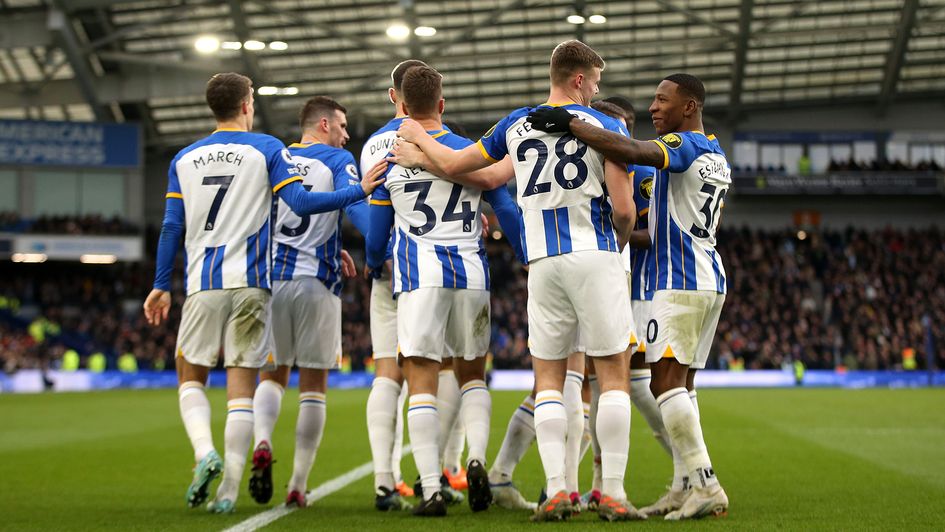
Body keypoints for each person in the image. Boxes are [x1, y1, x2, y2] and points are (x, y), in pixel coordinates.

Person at [389, 40, 642, 522]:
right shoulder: (606, 127)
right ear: (579, 79)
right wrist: (619, 243)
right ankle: (611, 492)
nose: (596, 91)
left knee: (548, 380)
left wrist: (417, 141)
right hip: (595, 253)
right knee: (611, 374)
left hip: (543, 264)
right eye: (595, 82)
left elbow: (462, 168)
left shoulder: (516, 124)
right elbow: (626, 210)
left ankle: (556, 491)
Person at [142, 72, 383, 514]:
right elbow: (307, 204)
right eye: (343, 126)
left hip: (224, 281)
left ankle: (226, 449)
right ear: (245, 105)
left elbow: (172, 225)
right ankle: (269, 487)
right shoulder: (273, 151)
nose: (347, 135)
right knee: (295, 386)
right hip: (273, 282)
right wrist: (366, 213)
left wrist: (160, 284)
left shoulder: (185, 157)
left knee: (234, 377)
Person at [527, 72, 731, 520]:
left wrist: (575, 125)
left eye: (662, 100)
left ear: (689, 107)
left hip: (678, 280)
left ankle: (706, 484)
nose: (654, 107)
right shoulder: (716, 154)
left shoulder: (685, 144)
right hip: (706, 276)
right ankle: (683, 485)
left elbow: (633, 150)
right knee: (684, 387)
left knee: (664, 385)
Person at [365, 64, 524, 517]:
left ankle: (432, 490)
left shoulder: (391, 158)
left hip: (419, 278)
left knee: (421, 385)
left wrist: (374, 264)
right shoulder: (468, 152)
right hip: (471, 275)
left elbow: (375, 240)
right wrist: (525, 253)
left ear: (400, 104)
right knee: (472, 376)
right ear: (441, 104)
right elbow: (505, 208)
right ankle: (474, 460)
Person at [248, 96, 371, 508]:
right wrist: (377, 243)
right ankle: (298, 485)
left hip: (272, 280)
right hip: (317, 282)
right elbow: (355, 207)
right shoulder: (337, 161)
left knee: (271, 375)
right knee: (313, 386)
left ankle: (262, 441)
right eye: (342, 126)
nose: (346, 135)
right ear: (323, 125)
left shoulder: (275, 159)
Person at [589, 98, 687, 515]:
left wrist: (613, 235)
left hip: (640, 288)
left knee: (639, 385)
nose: (621, 133)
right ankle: (599, 483)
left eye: (624, 126)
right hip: (602, 282)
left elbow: (653, 231)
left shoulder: (644, 172)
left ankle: (690, 468)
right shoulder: (594, 166)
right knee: (597, 383)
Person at [360, 59, 430, 512]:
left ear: (393, 96)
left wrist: (374, 260)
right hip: (430, 270)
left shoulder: (372, 145)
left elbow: (370, 210)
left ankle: (384, 481)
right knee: (439, 373)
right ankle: (438, 473)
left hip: (387, 269)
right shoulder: (439, 139)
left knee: (387, 374)